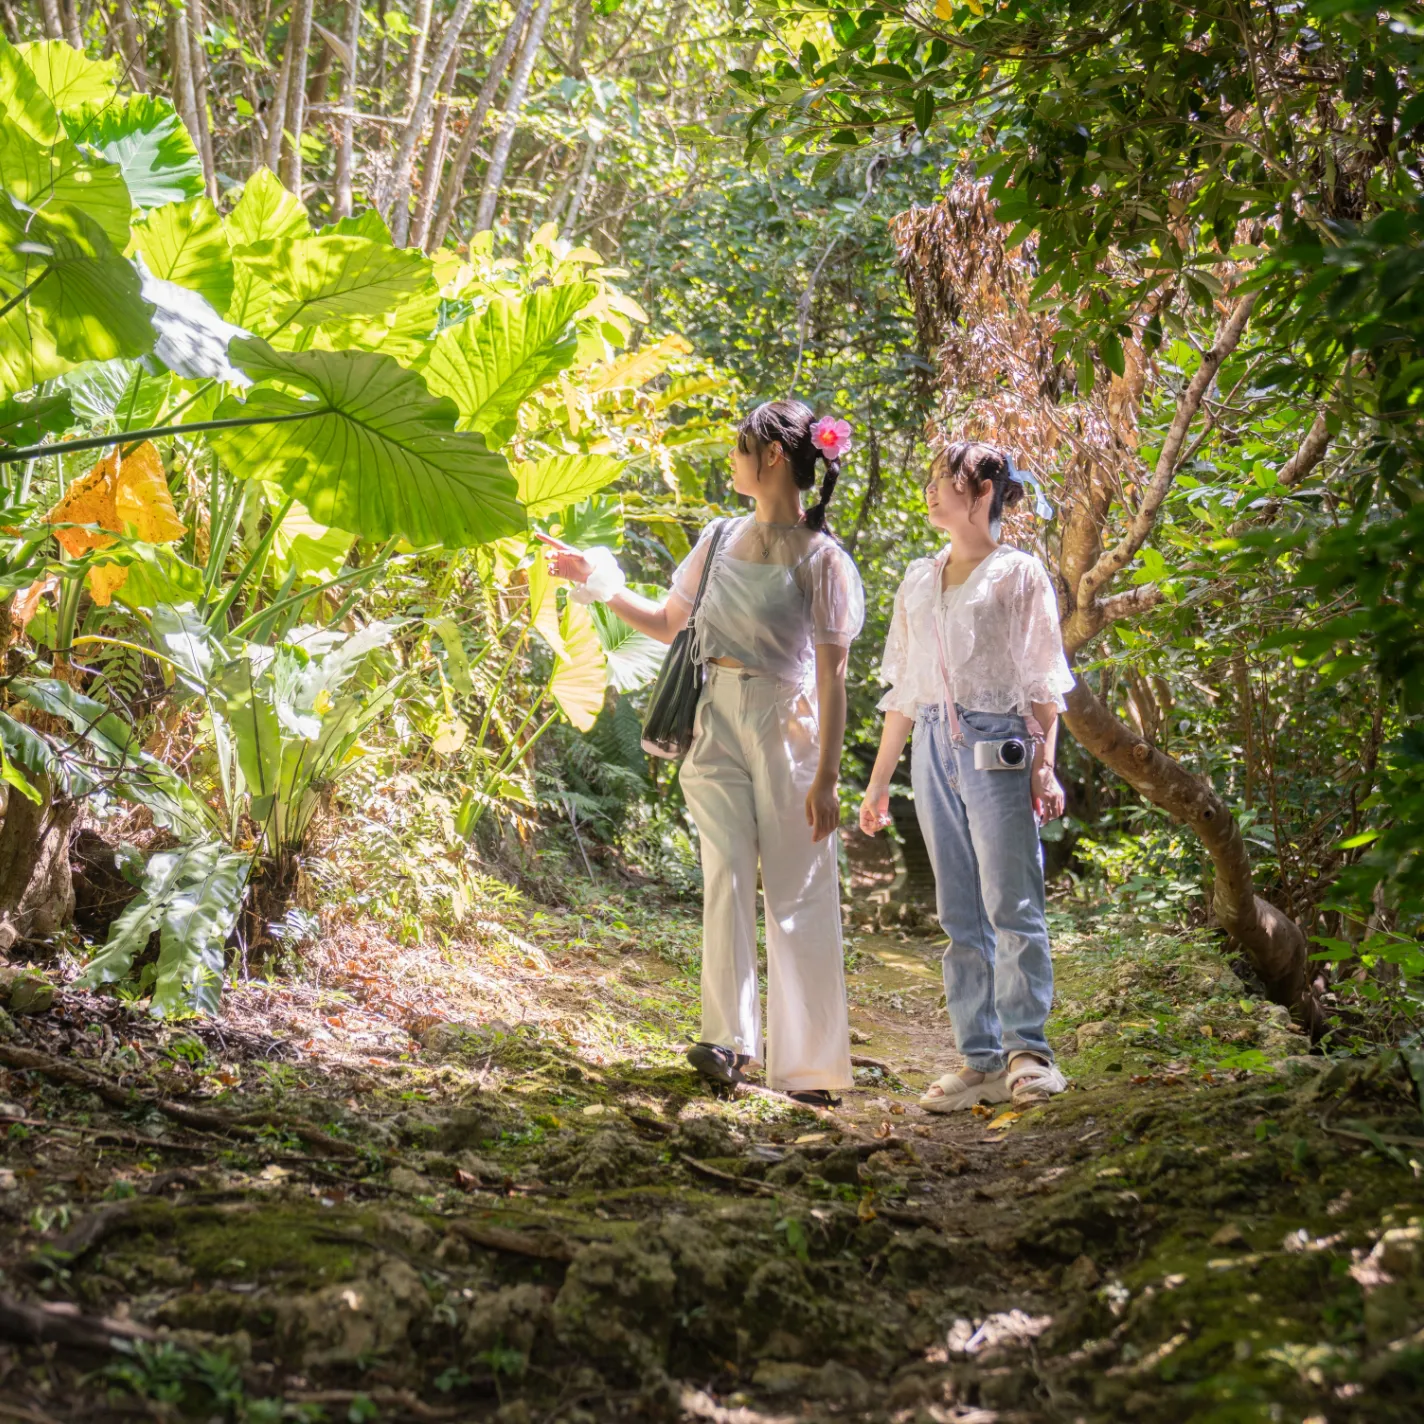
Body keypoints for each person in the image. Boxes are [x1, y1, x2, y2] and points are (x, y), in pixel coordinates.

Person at [548, 401, 865, 1107]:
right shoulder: (720, 537)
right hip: (712, 715)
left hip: (787, 722)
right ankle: (728, 1041)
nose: (732, 459)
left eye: (740, 447)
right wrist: (590, 579)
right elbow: (667, 623)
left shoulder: (824, 561)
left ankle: (810, 1067)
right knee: (725, 873)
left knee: (796, 887)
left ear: (774, 457)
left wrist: (827, 778)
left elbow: (832, 675)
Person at [858, 439, 1075, 1111]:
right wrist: (876, 784)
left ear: (984, 492)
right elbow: (904, 690)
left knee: (1012, 900)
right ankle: (979, 1059)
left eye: (945, 480)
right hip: (931, 743)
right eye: (928, 477)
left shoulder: (1018, 574)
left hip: (999, 739)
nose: (931, 490)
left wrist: (1046, 763)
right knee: (957, 909)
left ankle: (1028, 1053)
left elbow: (1043, 678)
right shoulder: (920, 578)